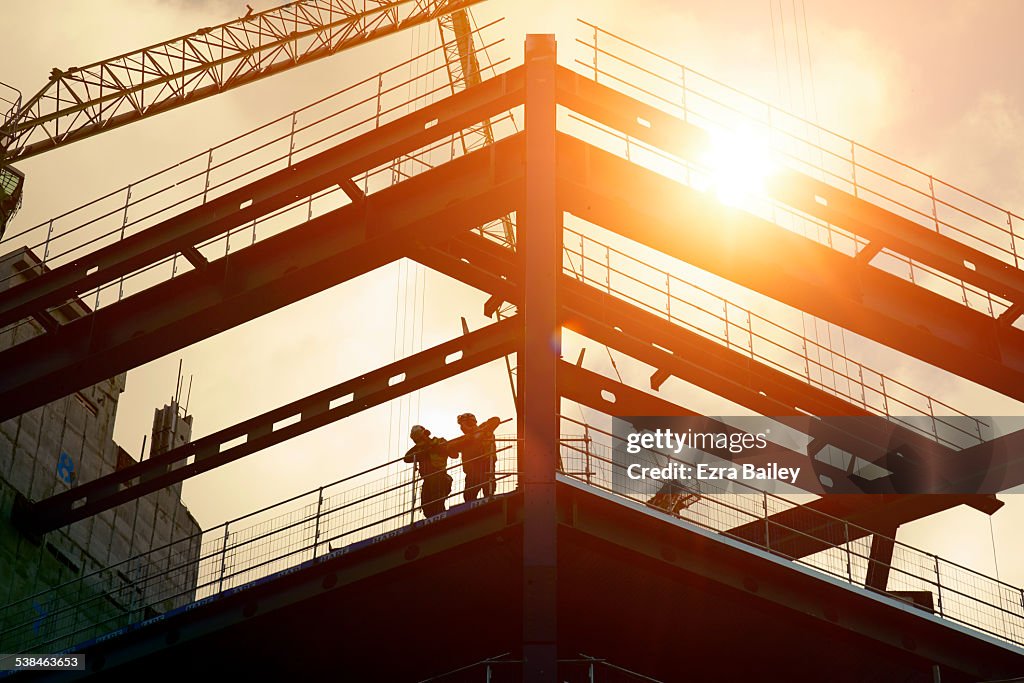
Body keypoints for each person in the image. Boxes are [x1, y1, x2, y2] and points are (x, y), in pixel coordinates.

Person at [404, 425, 455, 518]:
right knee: (426, 505)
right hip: (428, 480)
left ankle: (441, 521)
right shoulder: (419, 448)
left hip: (439, 476)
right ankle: (433, 521)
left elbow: (451, 453)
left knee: (438, 502)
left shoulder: (439, 441)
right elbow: (406, 458)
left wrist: (428, 443)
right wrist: (421, 447)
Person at [454, 413, 499, 502]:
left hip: (485, 465)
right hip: (472, 470)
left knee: (488, 489)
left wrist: (475, 431)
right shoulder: (465, 439)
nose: (462, 428)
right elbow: (453, 453)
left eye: (463, 425)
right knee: (469, 496)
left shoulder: (484, 429)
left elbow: (495, 419)